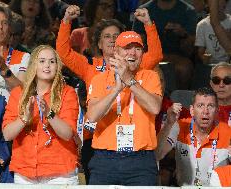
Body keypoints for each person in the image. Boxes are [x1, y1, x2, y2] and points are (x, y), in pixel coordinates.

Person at [86, 30, 163, 185]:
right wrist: (116, 90)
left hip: (141, 161)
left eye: (138, 48)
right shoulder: (99, 79)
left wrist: (129, 79)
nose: (133, 53)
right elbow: (92, 116)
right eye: (127, 48)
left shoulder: (150, 76)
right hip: (105, 160)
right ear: (116, 51)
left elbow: (155, 107)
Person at [2, 45, 79, 184]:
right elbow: (7, 134)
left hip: (60, 174)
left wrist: (49, 113)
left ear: (57, 66)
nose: (47, 65)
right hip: (25, 173)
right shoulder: (18, 93)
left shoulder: (68, 93)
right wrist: (24, 118)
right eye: (42, 61)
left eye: (52, 61)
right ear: (33, 65)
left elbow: (68, 134)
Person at [57, 5, 163, 91]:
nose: (112, 40)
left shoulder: (134, 63)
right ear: (99, 44)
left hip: (127, 116)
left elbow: (155, 55)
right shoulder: (89, 66)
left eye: (116, 36)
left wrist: (148, 24)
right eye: (107, 36)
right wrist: (66, 21)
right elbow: (63, 53)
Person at [156, 87, 231, 186]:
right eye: (200, 106)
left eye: (210, 106)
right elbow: (158, 154)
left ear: (217, 111)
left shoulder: (228, 133)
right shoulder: (179, 127)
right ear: (192, 110)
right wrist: (168, 124)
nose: (205, 111)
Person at [133, 0, 197, 89]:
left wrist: (183, 33)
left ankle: (180, 97)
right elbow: (138, 41)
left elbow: (191, 49)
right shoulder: (144, 10)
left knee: (185, 68)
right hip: (150, 55)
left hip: (178, 56)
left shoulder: (188, 11)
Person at [195, 0, 231, 64]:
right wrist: (204, 58)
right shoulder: (202, 25)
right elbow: (201, 52)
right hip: (211, 65)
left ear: (225, 2)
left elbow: (215, 23)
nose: (217, 4)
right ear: (207, 4)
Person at [210, 62, 231, 126]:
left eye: (227, 80)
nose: (221, 85)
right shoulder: (201, 110)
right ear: (211, 84)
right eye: (216, 80)